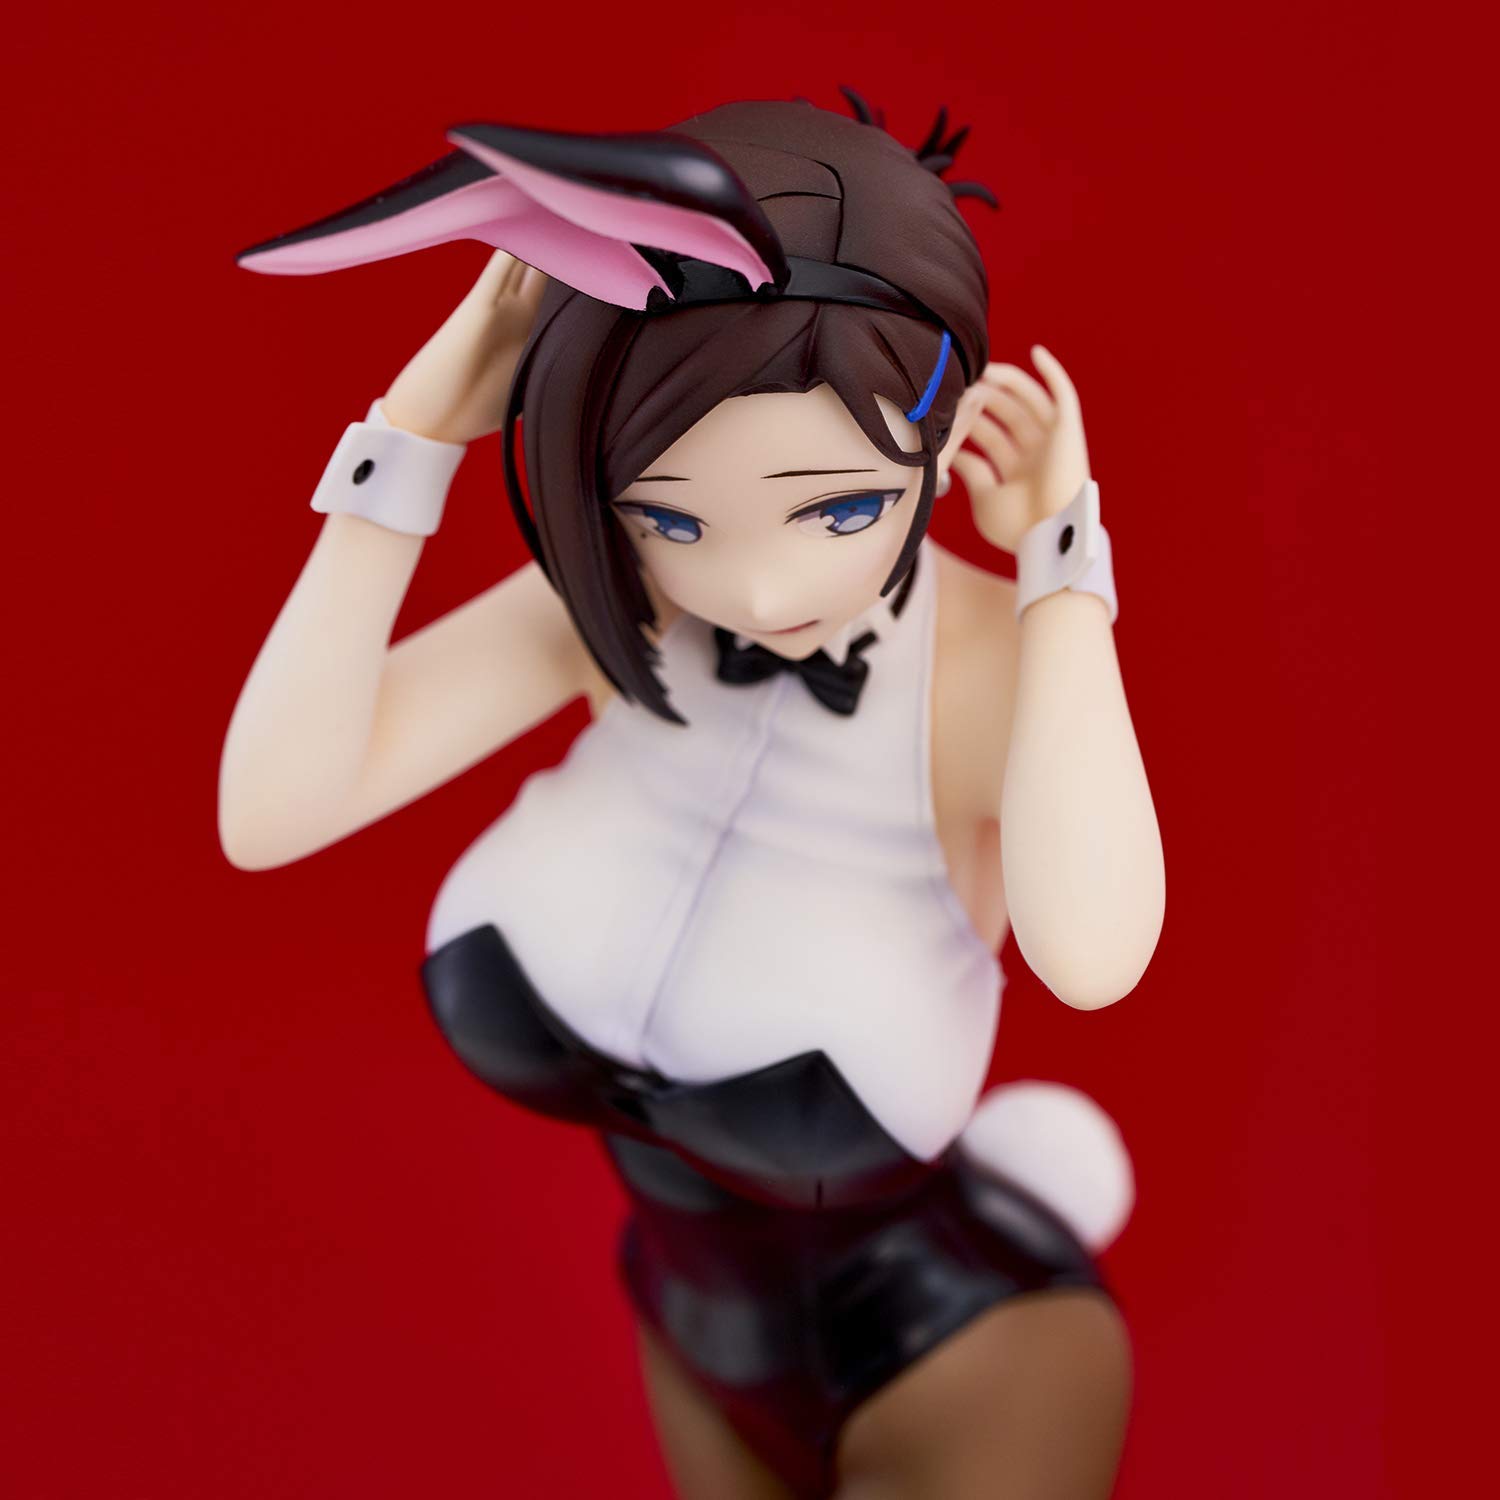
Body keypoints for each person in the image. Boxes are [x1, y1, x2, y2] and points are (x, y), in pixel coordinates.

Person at [219, 92, 1164, 1500]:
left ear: (942, 421)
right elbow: (271, 813)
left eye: (837, 508)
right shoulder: (616, 614)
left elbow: (1092, 960)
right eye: (673, 515)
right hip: (694, 1338)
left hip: (966, 1348)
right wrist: (411, 437)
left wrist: (1062, 573)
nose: (759, 590)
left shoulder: (989, 668)